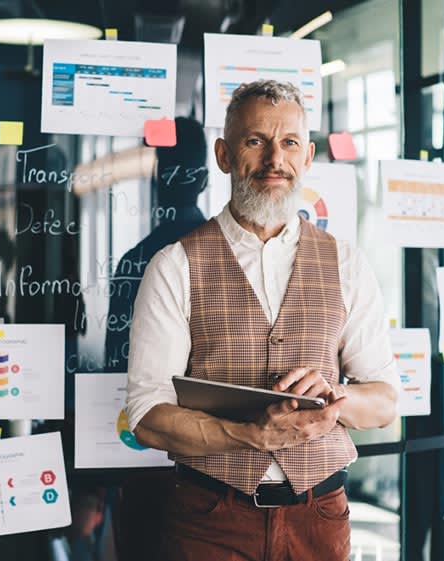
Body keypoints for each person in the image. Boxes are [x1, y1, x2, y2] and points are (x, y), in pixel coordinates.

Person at [125, 79, 400, 561]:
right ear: (224, 155)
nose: (275, 158)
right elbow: (147, 418)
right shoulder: (175, 265)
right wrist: (251, 435)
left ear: (308, 156)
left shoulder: (347, 263)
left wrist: (335, 396)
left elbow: (383, 404)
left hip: (320, 516)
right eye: (256, 141)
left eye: (289, 142)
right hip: (210, 518)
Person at [105, 116, 210, 372]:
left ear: (156, 179)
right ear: (204, 181)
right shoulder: (231, 258)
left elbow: (116, 366)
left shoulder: (134, 262)